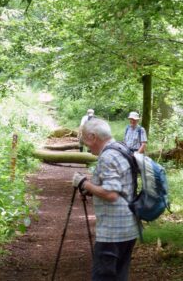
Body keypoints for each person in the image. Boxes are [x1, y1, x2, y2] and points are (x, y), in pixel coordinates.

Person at [73, 118, 139, 281]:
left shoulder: (107, 156)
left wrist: (84, 184)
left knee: (103, 277)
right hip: (129, 227)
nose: (85, 144)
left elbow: (111, 193)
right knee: (119, 276)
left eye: (84, 138)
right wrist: (91, 189)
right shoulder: (122, 148)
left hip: (112, 232)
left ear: (93, 136)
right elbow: (120, 185)